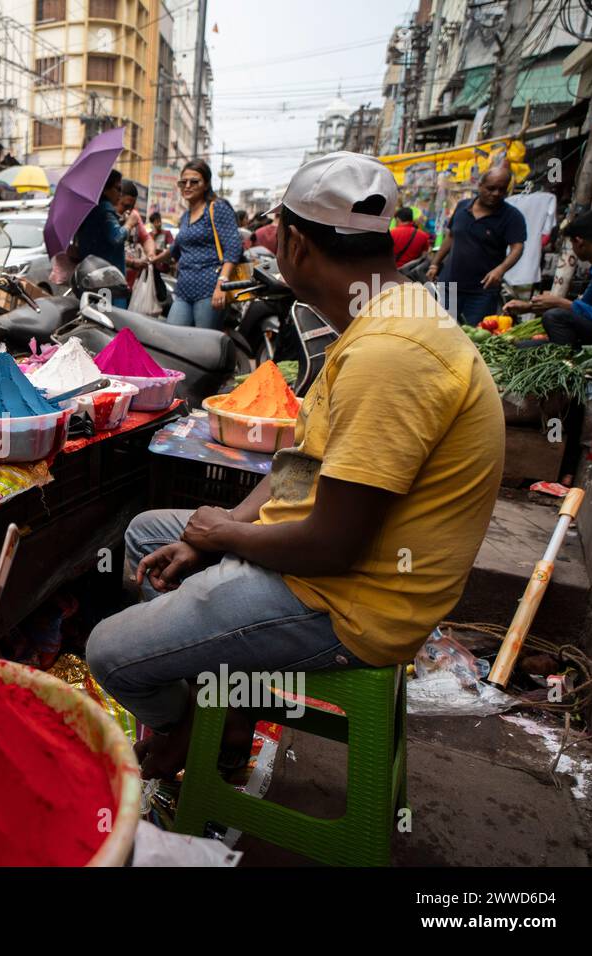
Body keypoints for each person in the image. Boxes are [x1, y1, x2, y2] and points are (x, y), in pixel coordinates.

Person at [87, 151, 503, 780]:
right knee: (151, 533)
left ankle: (190, 730)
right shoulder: (384, 318)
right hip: (328, 562)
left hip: (352, 603)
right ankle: (216, 704)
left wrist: (226, 537)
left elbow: (334, 546)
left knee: (109, 652)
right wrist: (227, 520)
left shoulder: (389, 355)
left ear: (296, 244)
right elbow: (304, 465)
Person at [426, 167, 526, 325]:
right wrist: (435, 263)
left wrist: (500, 270)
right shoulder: (462, 206)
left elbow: (517, 247)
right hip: (449, 285)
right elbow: (451, 236)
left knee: (474, 337)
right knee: (442, 333)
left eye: (502, 190)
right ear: (480, 185)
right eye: (491, 188)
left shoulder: (512, 216)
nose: (496, 193)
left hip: (482, 291)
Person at [504, 210, 592, 346]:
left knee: (555, 317)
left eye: (571, 243)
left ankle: (566, 363)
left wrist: (562, 304)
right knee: (521, 346)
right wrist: (529, 307)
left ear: (579, 242)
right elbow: (585, 306)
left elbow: (584, 311)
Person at [165, 159, 242, 329]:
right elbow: (176, 249)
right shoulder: (185, 217)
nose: (187, 186)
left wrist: (221, 285)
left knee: (204, 347)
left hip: (210, 290)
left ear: (206, 185)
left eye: (194, 181)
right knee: (171, 338)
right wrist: (151, 259)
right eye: (183, 182)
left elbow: (233, 247)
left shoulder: (217, 208)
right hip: (184, 290)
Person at [75, 169, 140, 307]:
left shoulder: (90, 210)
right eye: (117, 189)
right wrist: (129, 224)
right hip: (107, 281)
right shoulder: (105, 209)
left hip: (91, 278)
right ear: (105, 189)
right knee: (112, 322)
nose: (120, 194)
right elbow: (116, 237)